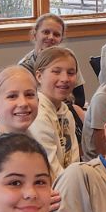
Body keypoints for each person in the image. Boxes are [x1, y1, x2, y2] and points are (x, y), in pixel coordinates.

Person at [30, 45, 84, 179]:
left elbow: (74, 161)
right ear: (39, 76)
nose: (65, 78)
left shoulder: (66, 112)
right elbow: (51, 170)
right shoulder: (37, 114)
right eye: (56, 71)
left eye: (71, 73)